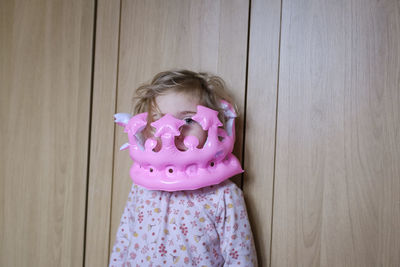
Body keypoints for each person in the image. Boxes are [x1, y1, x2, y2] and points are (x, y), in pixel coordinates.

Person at [109, 70, 257, 266]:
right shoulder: (141, 187)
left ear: (214, 124)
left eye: (188, 120)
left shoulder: (224, 195)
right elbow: (123, 242)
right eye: (159, 120)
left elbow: (241, 258)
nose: (172, 132)